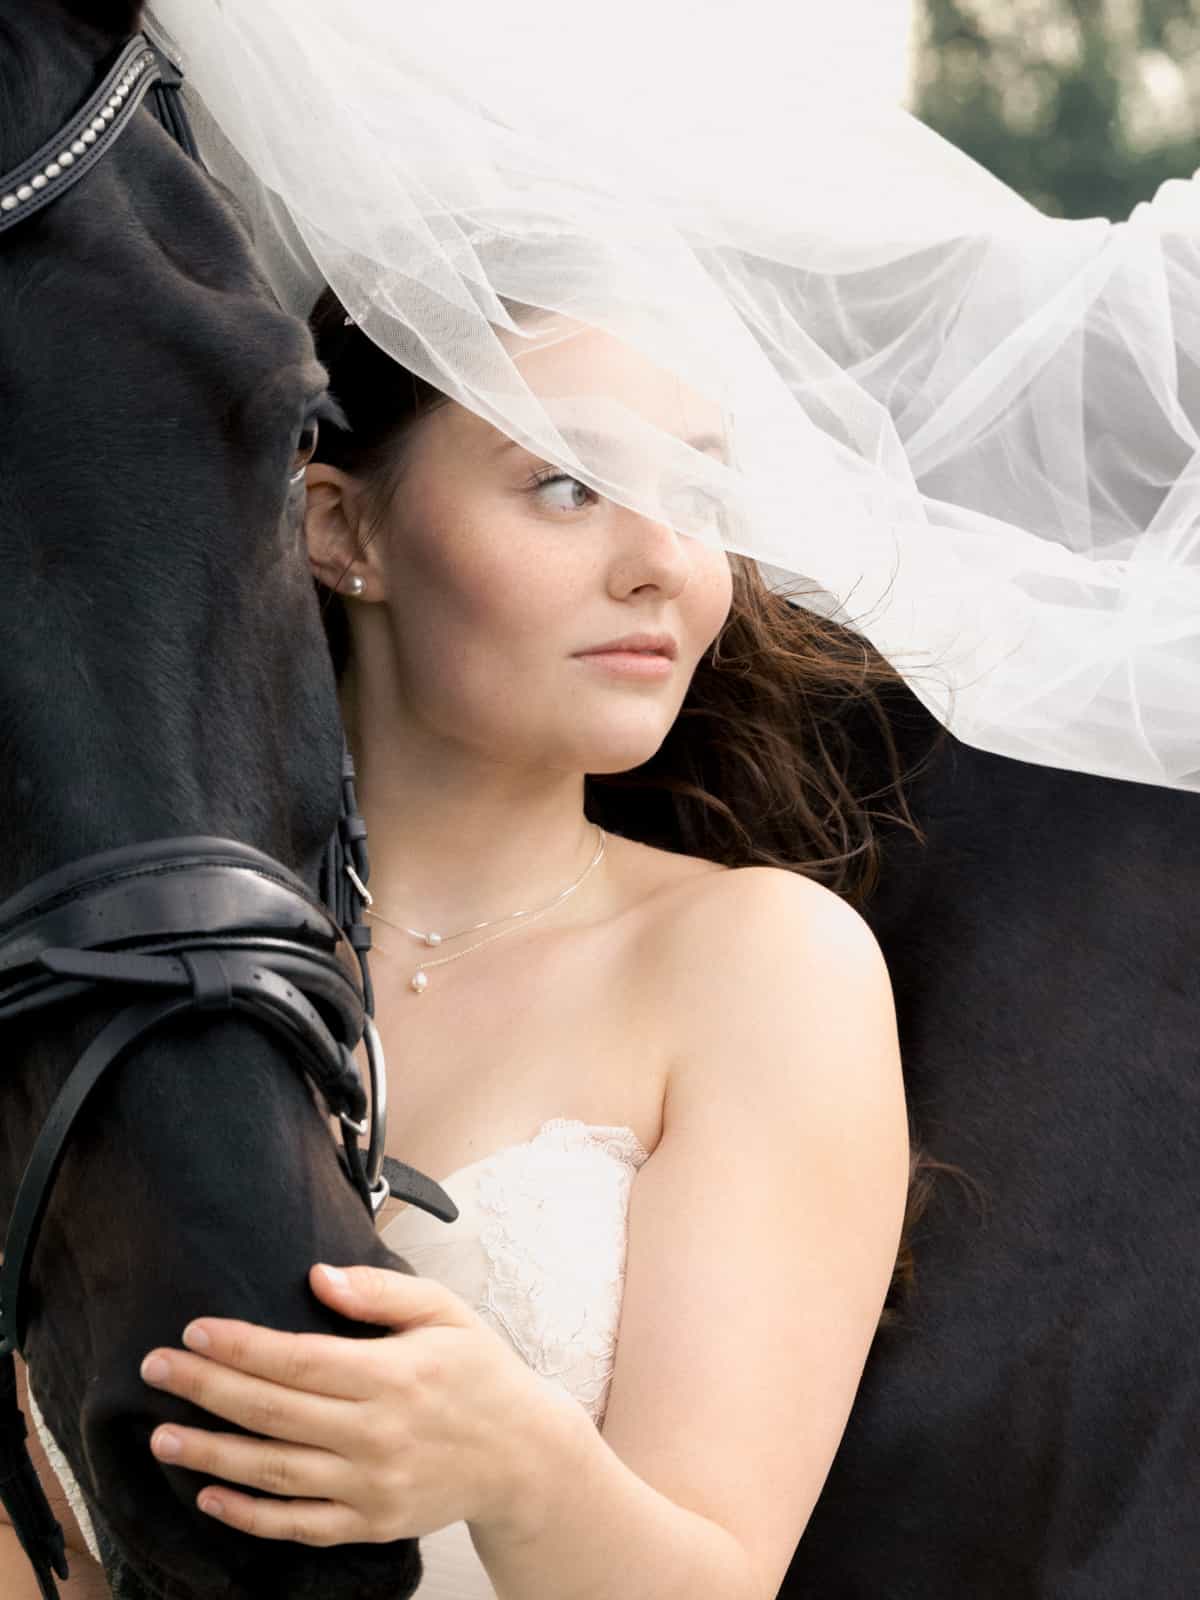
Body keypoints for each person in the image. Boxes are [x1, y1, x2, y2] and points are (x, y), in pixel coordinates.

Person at [119, 288, 916, 1599]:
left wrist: (514, 1465)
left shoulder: (763, 968)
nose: (664, 559)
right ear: (342, 527)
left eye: (699, 494)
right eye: (566, 485)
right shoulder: (134, 953)